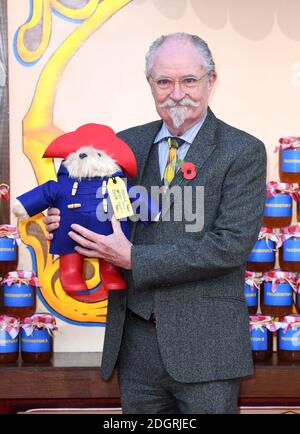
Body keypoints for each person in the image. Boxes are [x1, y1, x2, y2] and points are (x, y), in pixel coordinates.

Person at [44, 33, 266, 414]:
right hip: (135, 346)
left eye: (189, 80)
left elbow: (229, 245)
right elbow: (103, 214)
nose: (176, 93)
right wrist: (68, 220)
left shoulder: (243, 150)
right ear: (150, 84)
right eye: (164, 81)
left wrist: (134, 258)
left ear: (211, 80)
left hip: (206, 349)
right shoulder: (123, 145)